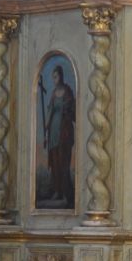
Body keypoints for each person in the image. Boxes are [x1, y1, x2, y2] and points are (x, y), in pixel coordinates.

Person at [42, 64, 76, 207]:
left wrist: (66, 109)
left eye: (56, 77)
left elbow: (72, 109)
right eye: (53, 78)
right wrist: (45, 130)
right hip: (54, 133)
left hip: (64, 132)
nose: (55, 80)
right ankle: (57, 190)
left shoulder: (67, 91)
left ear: (61, 76)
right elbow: (50, 111)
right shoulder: (54, 93)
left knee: (63, 162)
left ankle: (67, 193)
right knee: (55, 162)